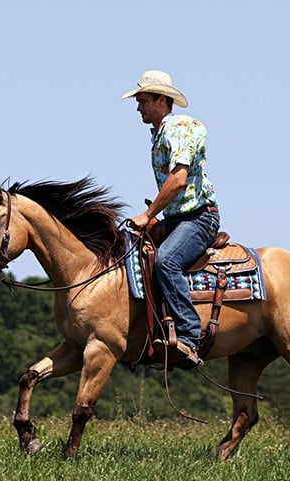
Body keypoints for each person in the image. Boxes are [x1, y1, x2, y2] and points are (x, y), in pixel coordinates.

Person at [122, 70, 220, 365]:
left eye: (142, 100)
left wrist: (148, 214)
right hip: (179, 219)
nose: (138, 107)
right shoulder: (159, 134)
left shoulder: (179, 128)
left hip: (199, 218)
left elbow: (178, 179)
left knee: (167, 261)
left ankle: (189, 337)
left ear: (161, 100)